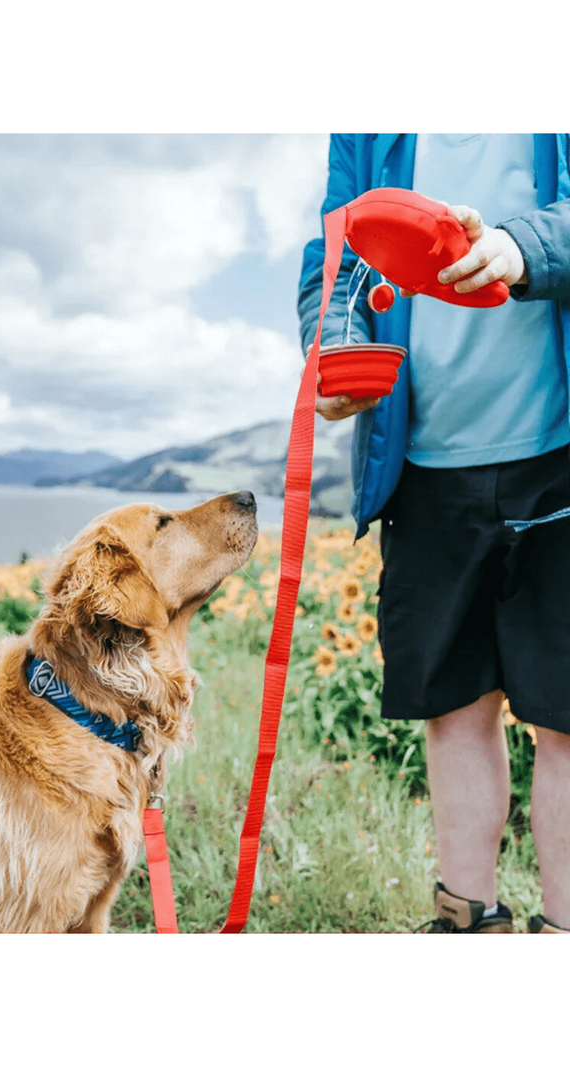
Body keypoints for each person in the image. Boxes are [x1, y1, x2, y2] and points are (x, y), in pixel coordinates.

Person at [298, 134, 570, 933]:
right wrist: (333, 343)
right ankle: (466, 922)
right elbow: (336, 251)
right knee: (452, 709)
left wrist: (522, 245)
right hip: (420, 464)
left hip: (558, 454)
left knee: (564, 719)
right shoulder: (368, 120)